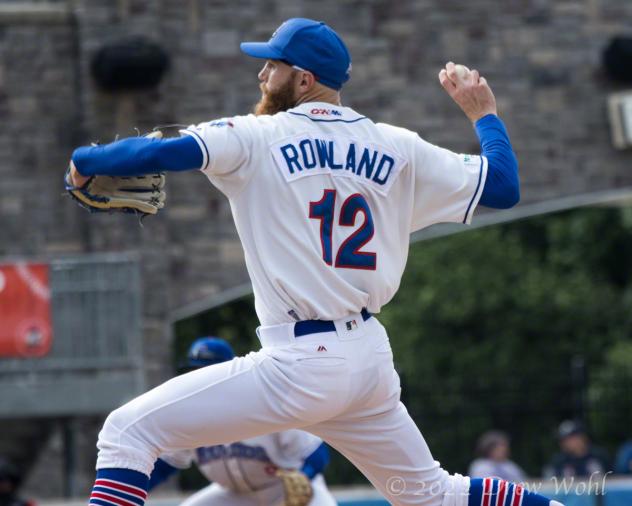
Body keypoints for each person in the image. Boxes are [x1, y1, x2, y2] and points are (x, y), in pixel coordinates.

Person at [68, 17, 563, 506]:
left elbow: (166, 152)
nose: (262, 75)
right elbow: (502, 187)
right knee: (432, 495)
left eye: (272, 66)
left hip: (301, 363)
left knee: (125, 432)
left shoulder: (257, 136)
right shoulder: (398, 146)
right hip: (367, 359)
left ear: (303, 79)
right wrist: (484, 115)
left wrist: (85, 160)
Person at [147, 337, 336, 505]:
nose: (199, 377)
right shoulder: (188, 417)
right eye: (194, 370)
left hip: (284, 489)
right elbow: (164, 466)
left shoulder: (266, 403)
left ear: (229, 370)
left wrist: (305, 476)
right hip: (233, 496)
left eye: (206, 370)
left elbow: (317, 453)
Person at [544, 421, 610, 479]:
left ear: (583, 437)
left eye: (573, 438)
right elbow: (549, 483)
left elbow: (615, 480)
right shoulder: (558, 461)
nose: (569, 443)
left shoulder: (599, 456)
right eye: (564, 440)